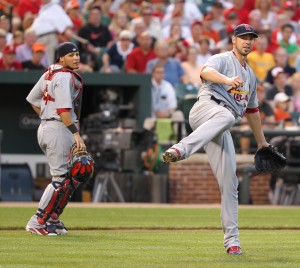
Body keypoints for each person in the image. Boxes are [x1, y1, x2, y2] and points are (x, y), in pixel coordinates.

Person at [162, 24, 270, 255]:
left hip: (220, 125)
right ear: (234, 40)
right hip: (205, 109)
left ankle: (233, 242)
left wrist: (261, 142)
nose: (247, 42)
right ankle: (181, 148)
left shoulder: (250, 75)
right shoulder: (222, 59)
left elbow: (252, 111)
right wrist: (227, 80)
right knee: (227, 115)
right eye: (243, 38)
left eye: (251, 38)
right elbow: (204, 73)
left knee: (230, 183)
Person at [25, 42, 91, 236]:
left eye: (77, 54)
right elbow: (62, 109)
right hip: (59, 128)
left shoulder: (50, 72)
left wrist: (46, 117)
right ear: (61, 58)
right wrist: (75, 133)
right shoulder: (63, 76)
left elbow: (32, 99)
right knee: (61, 178)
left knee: (72, 177)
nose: (76, 58)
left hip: (50, 126)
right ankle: (37, 221)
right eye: (71, 55)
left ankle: (53, 218)